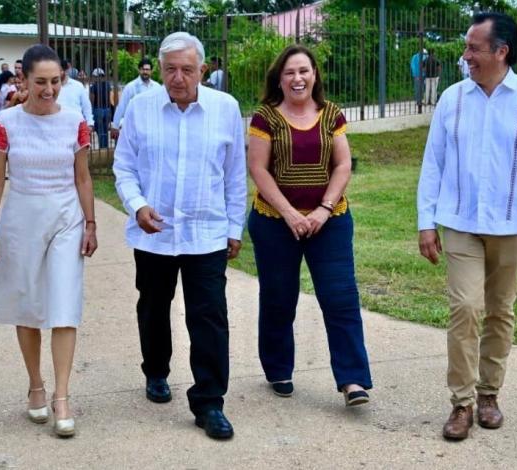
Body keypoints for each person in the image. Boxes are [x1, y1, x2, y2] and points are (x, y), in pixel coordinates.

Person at [416, 12, 517, 441]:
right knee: (466, 307)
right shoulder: (452, 98)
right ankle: (461, 402)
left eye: (473, 48)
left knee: (500, 310)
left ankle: (489, 394)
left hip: (510, 224)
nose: (465, 56)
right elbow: (433, 164)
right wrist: (425, 222)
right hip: (460, 221)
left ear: (501, 52)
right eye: (466, 47)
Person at [113, 32, 246, 440]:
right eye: (170, 69)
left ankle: (209, 402)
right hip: (155, 232)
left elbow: (234, 176)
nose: (177, 77)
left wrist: (233, 228)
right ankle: (156, 370)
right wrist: (137, 205)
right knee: (153, 306)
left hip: (205, 233)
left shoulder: (225, 109)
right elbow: (124, 167)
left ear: (202, 71)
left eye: (187, 70)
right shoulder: (140, 108)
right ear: (160, 68)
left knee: (209, 316)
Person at [0, 44, 97, 438]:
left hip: (66, 216)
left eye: (56, 81)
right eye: (41, 82)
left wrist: (91, 223)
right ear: (23, 81)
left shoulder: (75, 120)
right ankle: (35, 384)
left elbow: (83, 177)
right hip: (21, 218)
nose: (49, 90)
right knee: (27, 304)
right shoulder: (7, 122)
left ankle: (61, 396)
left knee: (64, 303)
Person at [246, 45, 372, 407]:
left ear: (314, 74)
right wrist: (290, 214)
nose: (297, 78)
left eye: (303, 71)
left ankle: (352, 380)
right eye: (289, 72)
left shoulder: (331, 114)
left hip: (329, 222)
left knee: (341, 298)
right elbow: (258, 169)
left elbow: (344, 165)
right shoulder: (265, 117)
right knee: (278, 299)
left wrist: (322, 210)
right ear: (279, 79)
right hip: (274, 223)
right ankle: (278, 369)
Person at [110, 58, 159, 140]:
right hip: (134, 127)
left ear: (151, 71)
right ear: (139, 70)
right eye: (143, 69)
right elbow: (122, 106)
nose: (145, 72)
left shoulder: (156, 87)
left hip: (152, 127)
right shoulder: (131, 87)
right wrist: (115, 126)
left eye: (147, 70)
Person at [56, 59, 95, 132]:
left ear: (66, 70)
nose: (57, 73)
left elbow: (86, 106)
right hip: (58, 128)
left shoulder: (78, 86)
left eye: (60, 70)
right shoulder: (52, 88)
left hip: (76, 128)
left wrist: (90, 123)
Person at [88, 68, 112, 149]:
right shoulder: (108, 85)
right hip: (107, 110)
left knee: (100, 131)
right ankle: (106, 148)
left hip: (98, 110)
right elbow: (110, 99)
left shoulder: (93, 86)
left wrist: (90, 113)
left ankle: (102, 148)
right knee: (105, 131)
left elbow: (92, 101)